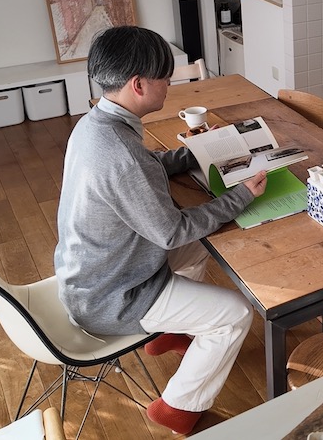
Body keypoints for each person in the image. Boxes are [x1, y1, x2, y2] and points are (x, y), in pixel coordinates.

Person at [54, 26, 268, 435]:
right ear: (138, 85)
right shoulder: (120, 155)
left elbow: (145, 167)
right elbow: (172, 232)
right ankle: (178, 407)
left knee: (204, 243)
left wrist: (193, 153)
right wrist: (241, 196)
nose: (169, 85)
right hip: (114, 296)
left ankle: (168, 331)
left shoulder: (95, 124)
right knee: (236, 314)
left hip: (93, 274)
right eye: (165, 78)